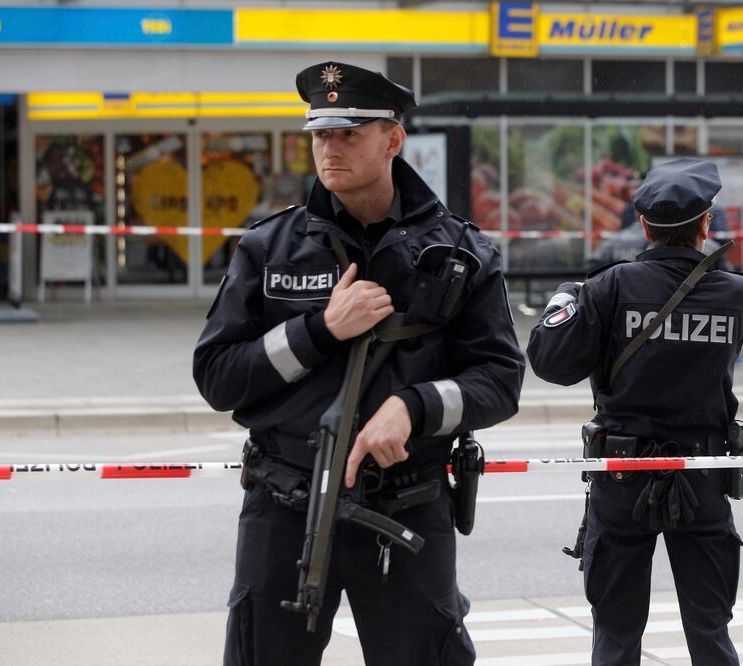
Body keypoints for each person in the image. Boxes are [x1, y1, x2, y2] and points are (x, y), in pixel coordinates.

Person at [194, 61, 525, 665]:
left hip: (408, 506)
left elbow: (500, 382)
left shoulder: (461, 254)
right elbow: (217, 375)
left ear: (393, 140)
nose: (330, 148)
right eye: (321, 133)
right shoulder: (268, 247)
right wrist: (319, 330)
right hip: (284, 508)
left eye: (349, 133)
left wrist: (413, 407)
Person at [527, 157, 743, 666]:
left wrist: (567, 296)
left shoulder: (608, 288)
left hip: (622, 476)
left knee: (615, 635)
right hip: (703, 475)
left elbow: (551, 364)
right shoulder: (742, 295)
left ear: (643, 225)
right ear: (706, 223)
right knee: (710, 632)